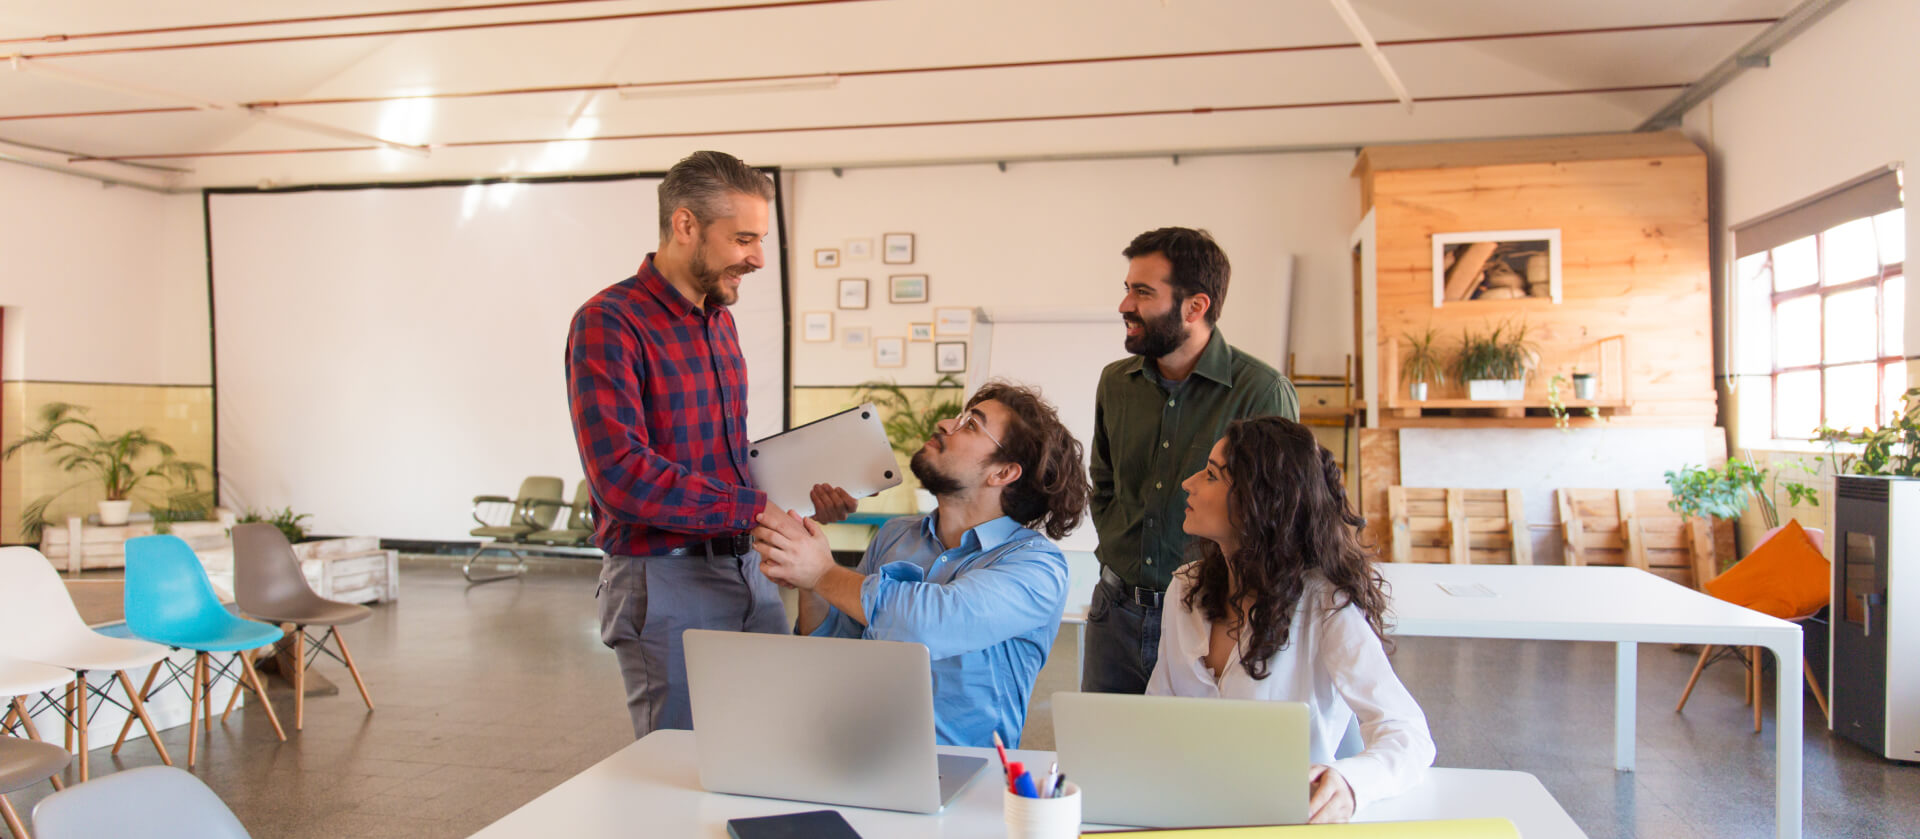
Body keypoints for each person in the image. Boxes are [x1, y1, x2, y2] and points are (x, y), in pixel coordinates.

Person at [566, 150, 855, 739]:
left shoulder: (719, 320)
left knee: (771, 748)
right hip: (664, 580)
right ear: (685, 225)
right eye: (742, 238)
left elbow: (718, 459)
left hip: (748, 572)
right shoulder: (609, 321)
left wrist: (793, 498)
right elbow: (622, 476)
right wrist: (755, 509)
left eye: (760, 239)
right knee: (681, 773)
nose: (755, 258)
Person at [752, 381, 1090, 748]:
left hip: (968, 773)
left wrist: (822, 572)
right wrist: (809, 583)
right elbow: (837, 648)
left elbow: (929, 624)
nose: (946, 424)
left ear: (1003, 473)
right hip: (857, 752)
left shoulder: (1037, 567)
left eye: (971, 425)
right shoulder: (895, 536)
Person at [1147, 416, 1434, 823]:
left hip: (1286, 821)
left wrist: (1351, 784)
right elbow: (1157, 715)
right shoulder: (1185, 589)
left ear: (1258, 501)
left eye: (1211, 475)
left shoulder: (1325, 605)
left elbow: (1408, 734)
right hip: (1187, 812)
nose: (1188, 483)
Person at [1086, 226, 1299, 694]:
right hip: (1114, 614)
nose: (1125, 305)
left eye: (1143, 292)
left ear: (1195, 306)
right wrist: (1120, 549)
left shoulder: (1262, 392)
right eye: (1127, 289)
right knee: (1101, 759)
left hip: (1209, 618)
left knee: (1196, 761)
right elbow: (1103, 485)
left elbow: (1279, 516)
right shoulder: (1115, 383)